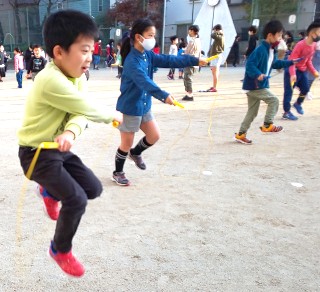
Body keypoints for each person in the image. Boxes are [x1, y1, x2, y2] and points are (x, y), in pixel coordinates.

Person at [17, 10, 123, 277]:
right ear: (59, 52)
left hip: (58, 150)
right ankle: (60, 249)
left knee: (93, 189)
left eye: (92, 50)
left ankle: (49, 192)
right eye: (84, 50)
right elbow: (83, 106)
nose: (90, 57)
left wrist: (71, 134)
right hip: (36, 154)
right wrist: (112, 115)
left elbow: (78, 115)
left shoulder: (78, 77)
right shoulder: (49, 79)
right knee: (76, 200)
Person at [113, 18, 207, 186]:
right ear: (138, 37)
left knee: (154, 135)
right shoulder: (131, 61)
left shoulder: (147, 54)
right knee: (125, 144)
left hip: (144, 105)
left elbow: (168, 60)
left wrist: (193, 60)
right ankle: (118, 172)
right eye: (150, 35)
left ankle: (136, 153)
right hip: (130, 107)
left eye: (154, 35)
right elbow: (144, 82)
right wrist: (164, 95)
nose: (153, 39)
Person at [234, 20, 297, 145]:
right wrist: (258, 74)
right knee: (274, 100)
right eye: (278, 35)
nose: (280, 39)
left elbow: (274, 64)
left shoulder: (270, 51)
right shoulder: (260, 50)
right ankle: (267, 124)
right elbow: (250, 65)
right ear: (270, 35)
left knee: (252, 112)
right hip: (255, 86)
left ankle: (241, 134)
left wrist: (290, 62)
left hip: (255, 86)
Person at [282, 21, 320, 121]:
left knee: (305, 89)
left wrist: (313, 71)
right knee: (289, 92)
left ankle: (298, 103)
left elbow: (308, 60)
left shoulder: (313, 45)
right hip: (292, 70)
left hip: (302, 71)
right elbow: (292, 61)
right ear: (312, 33)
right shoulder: (300, 45)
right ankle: (286, 112)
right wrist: (292, 74)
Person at [182, 25, 202, 101]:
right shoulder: (197, 40)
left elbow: (190, 53)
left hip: (190, 62)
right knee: (187, 78)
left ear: (193, 31)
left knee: (188, 78)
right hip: (193, 62)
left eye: (190, 30)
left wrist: (184, 55)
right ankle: (188, 94)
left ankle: (190, 95)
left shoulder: (193, 41)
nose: (189, 32)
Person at [207, 24, 224, 92]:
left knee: (215, 72)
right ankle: (214, 86)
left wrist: (217, 31)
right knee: (214, 72)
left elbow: (212, 35)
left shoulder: (220, 36)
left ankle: (215, 87)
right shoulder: (219, 36)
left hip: (216, 56)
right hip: (215, 56)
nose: (213, 31)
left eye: (214, 29)